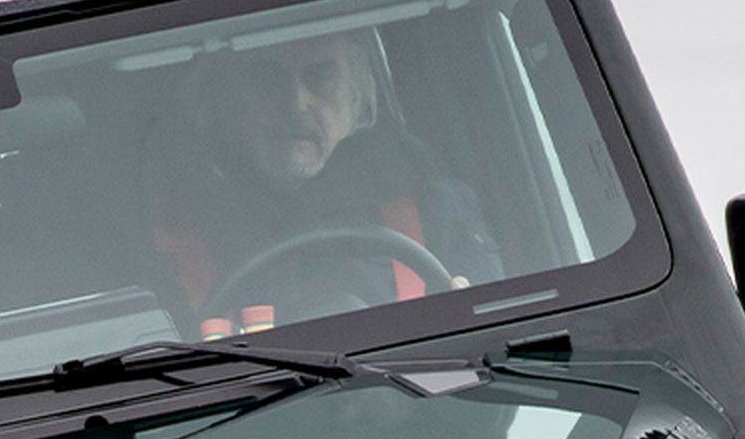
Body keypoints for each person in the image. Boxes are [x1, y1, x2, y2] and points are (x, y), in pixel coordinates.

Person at [147, 26, 503, 329]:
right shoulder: (170, 232)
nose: (296, 103)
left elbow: (498, 347)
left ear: (357, 100)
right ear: (227, 103)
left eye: (321, 78)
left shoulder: (436, 212)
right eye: (267, 78)